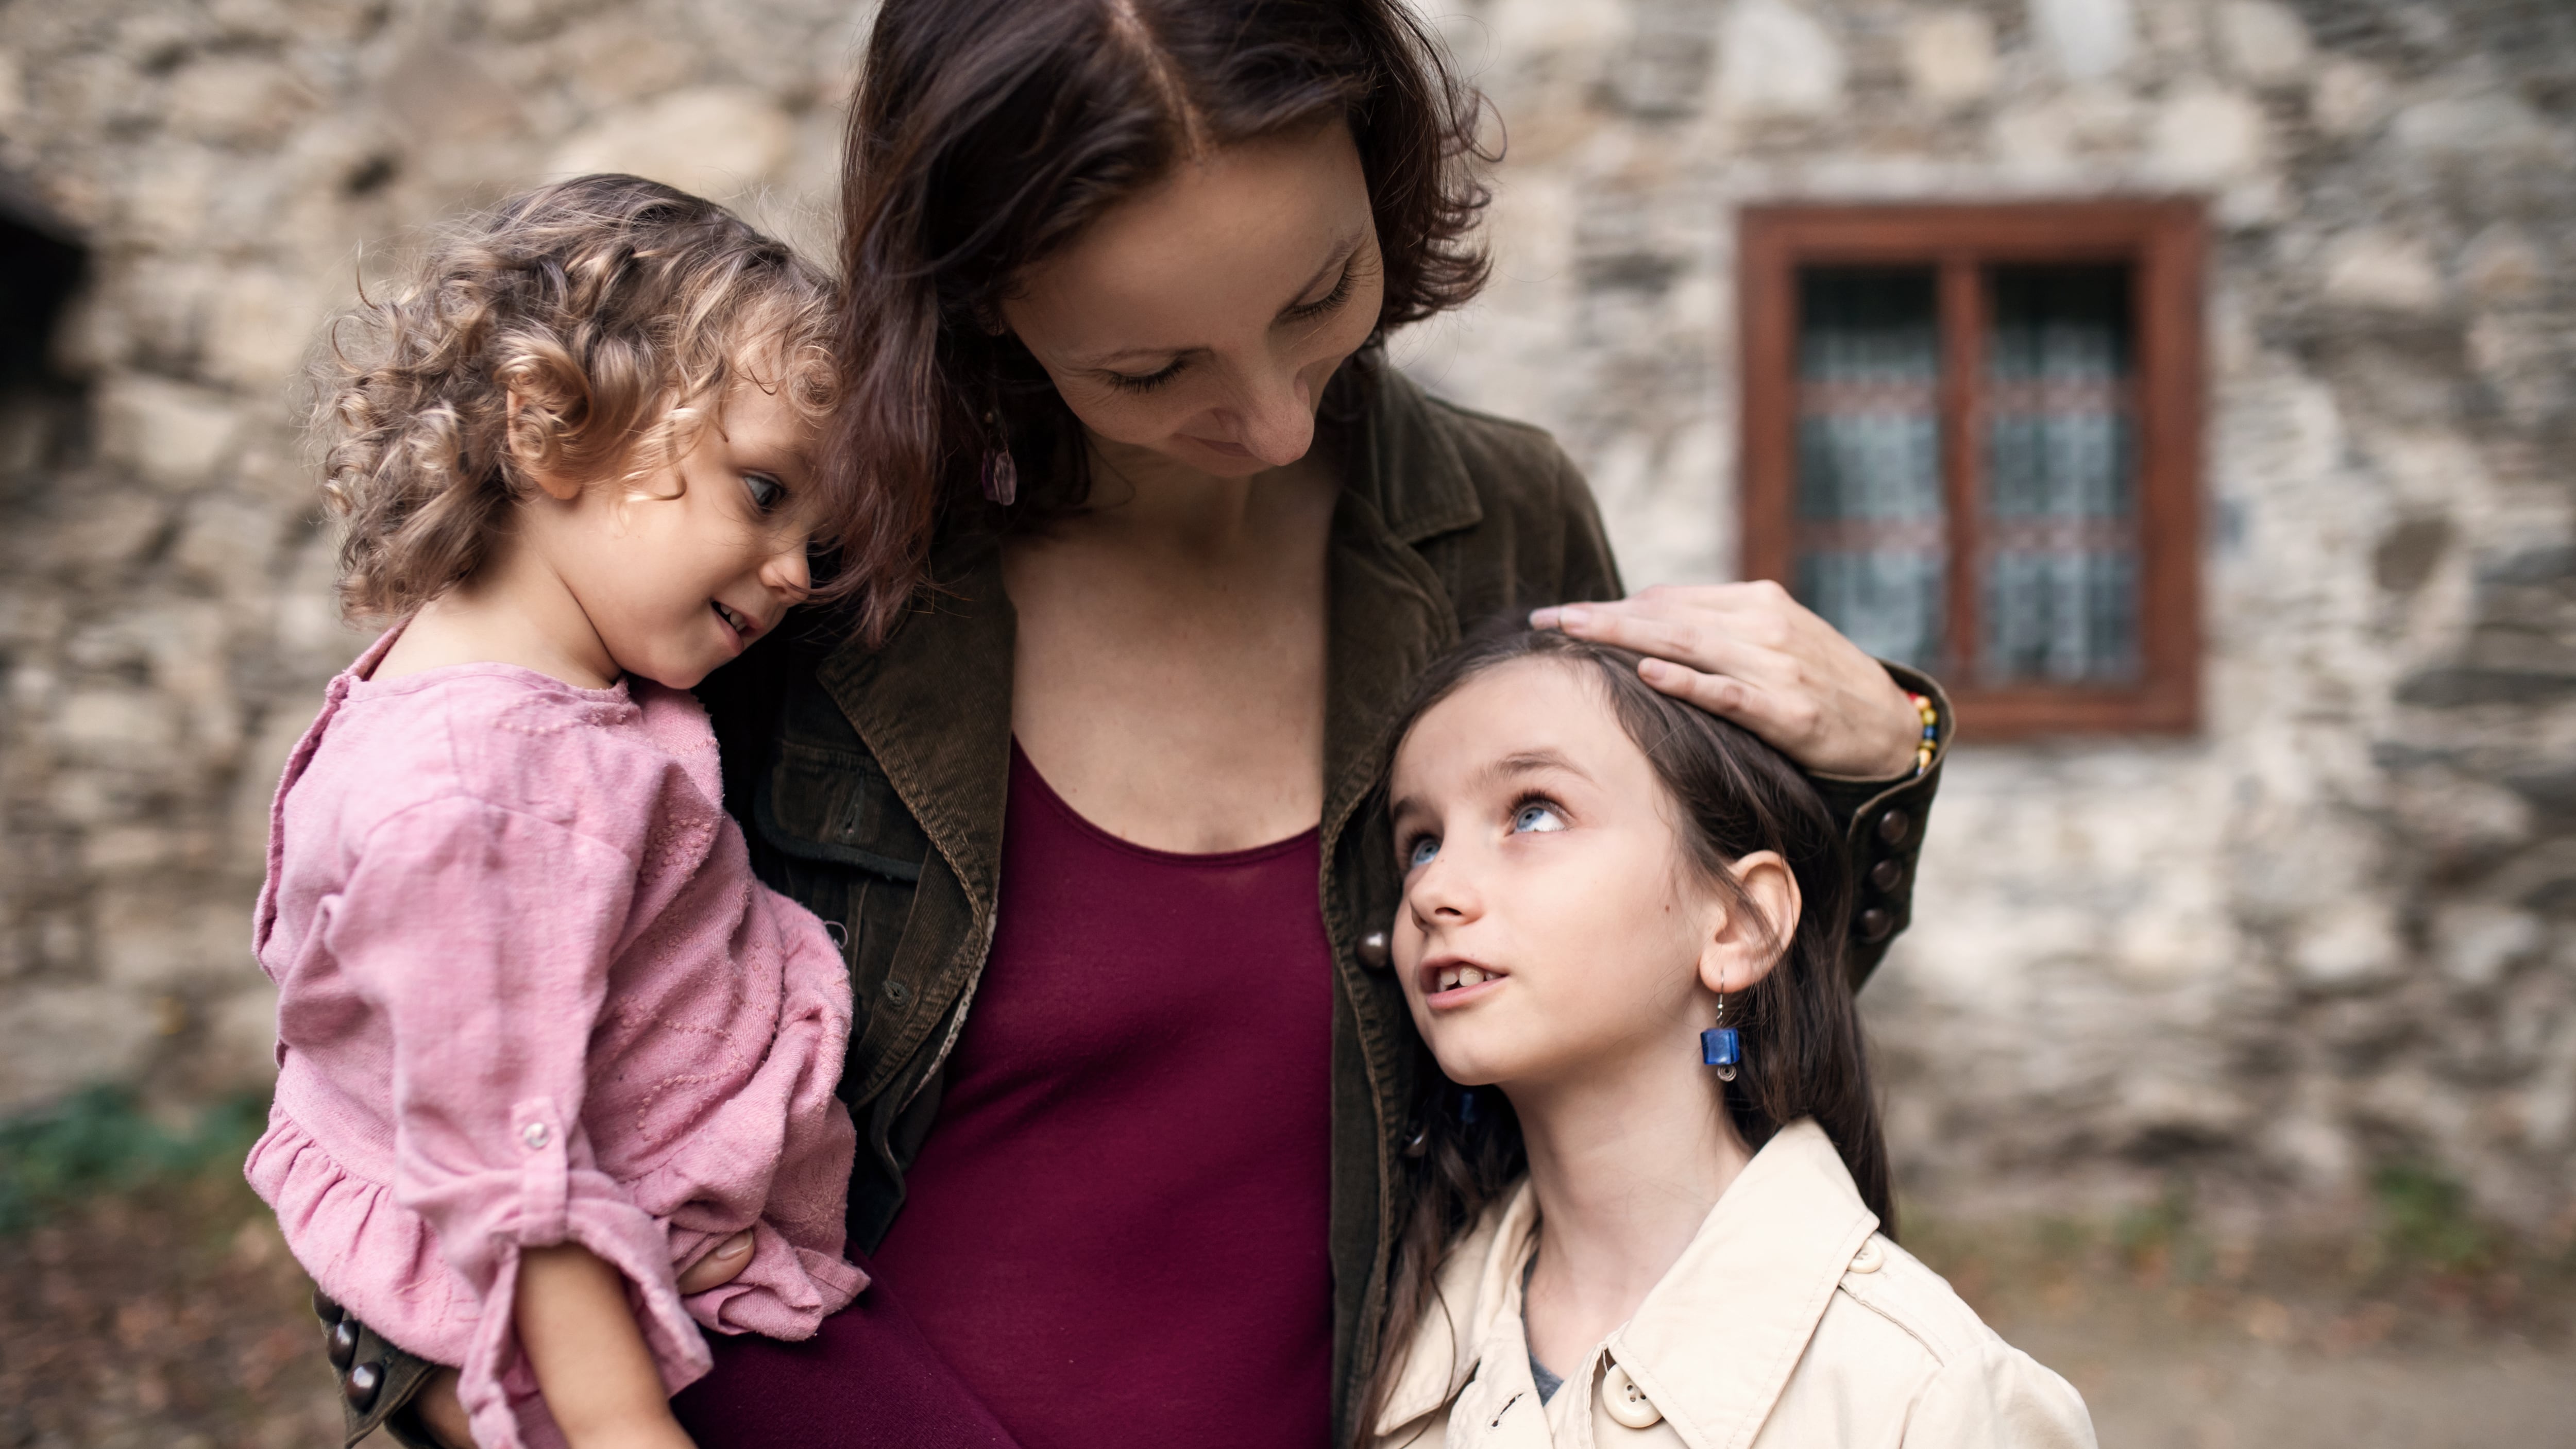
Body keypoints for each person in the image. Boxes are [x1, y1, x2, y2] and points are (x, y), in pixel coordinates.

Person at [332, 4, 1952, 1445]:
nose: (1273, 415)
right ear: (977, 307)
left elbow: (1668, 1025)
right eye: (1150, 364)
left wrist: (1883, 768)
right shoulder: (792, 562)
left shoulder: (1505, 524)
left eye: (1322, 293)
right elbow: (406, 1039)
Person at [253, 176, 886, 1449]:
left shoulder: (533, 693)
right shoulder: (486, 790)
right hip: (630, 1319)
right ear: (550, 427)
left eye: (817, 543)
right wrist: (618, 1423)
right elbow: (510, 1169)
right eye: (765, 492)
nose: (792, 574)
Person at [1361, 629, 2091, 1448]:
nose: (1435, 891)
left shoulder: (1927, 1398)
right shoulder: (1394, 1345)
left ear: (1740, 924)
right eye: (1420, 843)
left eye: (1534, 813)